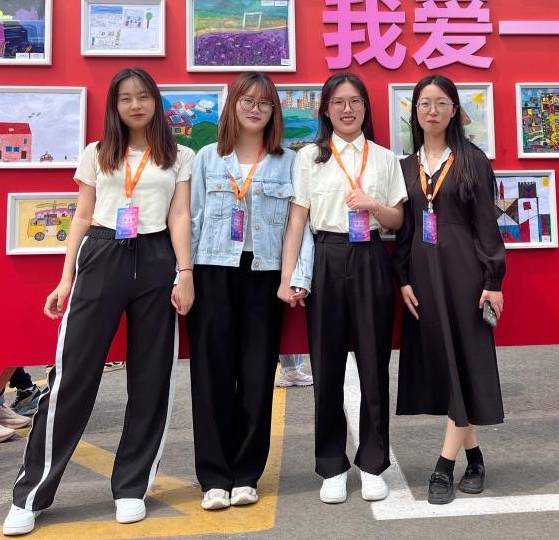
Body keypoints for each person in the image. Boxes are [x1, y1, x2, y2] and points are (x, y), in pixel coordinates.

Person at [2, 68, 195, 536]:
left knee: (151, 379)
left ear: (156, 102)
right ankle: (30, 495)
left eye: (143, 97)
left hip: (156, 259)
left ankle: (131, 487)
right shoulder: (96, 152)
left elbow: (179, 215)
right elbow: (82, 215)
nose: (135, 105)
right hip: (103, 253)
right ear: (114, 105)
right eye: (126, 98)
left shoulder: (179, 155)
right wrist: (64, 279)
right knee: (72, 378)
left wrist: (185, 273)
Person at [187, 72, 313, 511]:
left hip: (265, 273)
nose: (255, 109)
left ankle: (245, 475)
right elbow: (193, 219)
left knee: (258, 374)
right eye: (248, 100)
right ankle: (213, 478)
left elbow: (301, 223)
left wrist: (297, 276)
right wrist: (183, 275)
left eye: (264, 103)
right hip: (212, 271)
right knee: (211, 375)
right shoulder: (207, 158)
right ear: (233, 105)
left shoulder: (288, 162)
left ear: (274, 112)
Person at [279, 72, 406, 505]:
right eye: (338, 102)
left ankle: (373, 464)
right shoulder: (309, 157)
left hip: (371, 256)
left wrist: (374, 205)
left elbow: (397, 219)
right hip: (327, 257)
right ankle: (331, 466)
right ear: (326, 110)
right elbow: (298, 220)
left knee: (374, 365)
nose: (347, 109)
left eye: (354, 101)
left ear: (366, 107)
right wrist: (289, 277)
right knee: (327, 366)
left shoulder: (384, 158)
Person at [391, 74, 506, 506]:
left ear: (455, 110)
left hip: (464, 277)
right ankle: (474, 457)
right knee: (448, 371)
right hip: (423, 279)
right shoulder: (406, 167)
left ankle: (443, 466)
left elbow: (487, 226)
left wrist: (493, 281)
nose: (432, 111)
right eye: (424, 103)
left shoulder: (472, 160)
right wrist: (402, 278)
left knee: (465, 365)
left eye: (441, 103)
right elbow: (403, 233)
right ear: (415, 112)